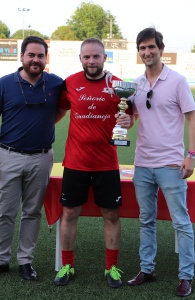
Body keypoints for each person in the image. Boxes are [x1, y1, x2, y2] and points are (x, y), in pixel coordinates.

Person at [0, 36, 66, 281]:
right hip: (9, 156)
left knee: (32, 212)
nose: (35, 60)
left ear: (45, 59)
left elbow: (61, 110)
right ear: (22, 57)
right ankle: (0, 260)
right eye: (31, 55)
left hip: (41, 158)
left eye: (40, 56)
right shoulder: (4, 84)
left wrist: (44, 125)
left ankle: (26, 261)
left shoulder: (56, 83)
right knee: (4, 212)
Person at [122, 27, 195, 297]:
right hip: (142, 164)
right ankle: (147, 269)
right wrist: (125, 122)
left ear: (161, 49)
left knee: (181, 221)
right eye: (142, 48)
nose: (147, 52)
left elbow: (192, 118)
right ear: (138, 52)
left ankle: (186, 276)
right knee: (146, 220)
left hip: (170, 164)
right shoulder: (136, 84)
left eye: (151, 47)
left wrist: (190, 155)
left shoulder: (177, 81)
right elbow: (131, 119)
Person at [53, 38, 131, 288]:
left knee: (111, 215)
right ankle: (67, 265)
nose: (91, 61)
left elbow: (130, 114)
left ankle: (112, 268)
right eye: (86, 57)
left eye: (96, 56)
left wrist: (129, 122)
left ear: (105, 58)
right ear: (80, 59)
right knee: (69, 213)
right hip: (75, 162)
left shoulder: (118, 85)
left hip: (107, 163)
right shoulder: (71, 83)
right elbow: (61, 110)